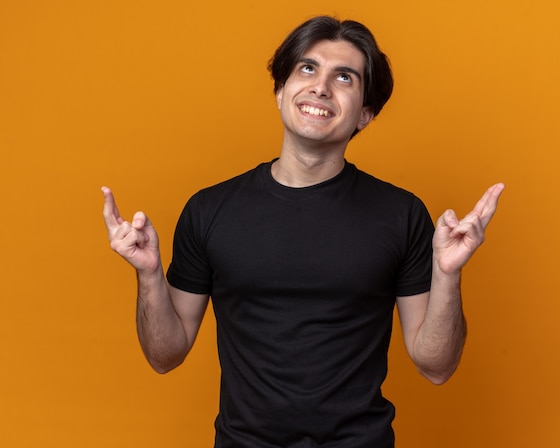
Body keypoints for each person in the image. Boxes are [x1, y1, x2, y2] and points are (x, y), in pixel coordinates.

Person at [102, 15, 504, 448]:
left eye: (344, 77)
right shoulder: (210, 209)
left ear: (365, 113)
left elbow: (436, 366)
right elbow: (165, 355)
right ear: (280, 91)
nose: (320, 87)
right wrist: (148, 275)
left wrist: (447, 273)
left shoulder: (401, 214)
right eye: (307, 69)